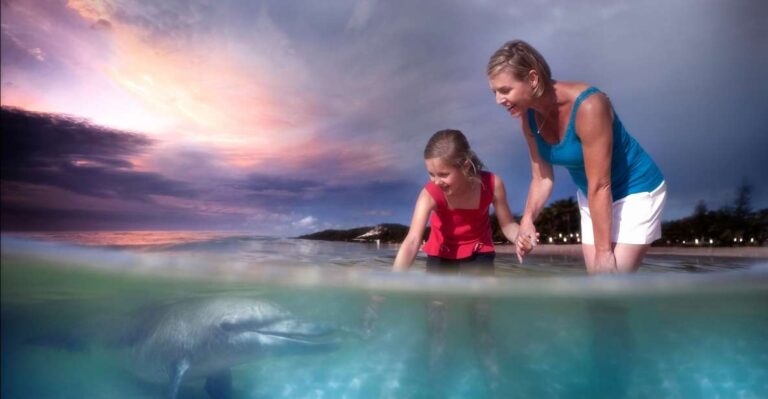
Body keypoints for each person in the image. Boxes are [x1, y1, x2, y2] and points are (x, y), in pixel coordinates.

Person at [487, 39, 666, 274]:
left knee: (609, 284)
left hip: (636, 190)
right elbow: (541, 178)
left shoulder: (589, 106)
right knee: (600, 290)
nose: (498, 100)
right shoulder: (528, 119)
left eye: (505, 90)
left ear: (532, 79)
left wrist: (604, 253)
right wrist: (527, 220)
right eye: (495, 92)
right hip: (593, 198)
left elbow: (601, 184)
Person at [393, 129, 532, 272]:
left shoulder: (492, 184)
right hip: (440, 253)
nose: (436, 182)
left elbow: (508, 224)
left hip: (479, 252)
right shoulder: (429, 194)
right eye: (431, 174)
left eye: (443, 174)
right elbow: (413, 240)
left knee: (480, 292)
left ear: (465, 166)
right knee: (439, 295)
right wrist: (393, 280)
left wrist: (519, 238)